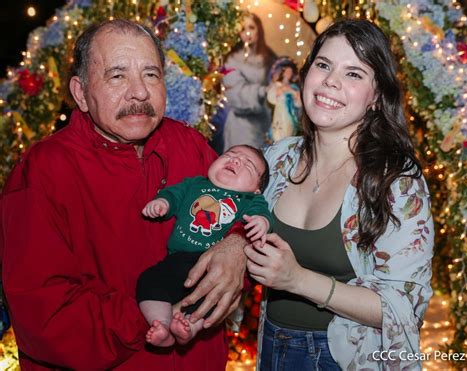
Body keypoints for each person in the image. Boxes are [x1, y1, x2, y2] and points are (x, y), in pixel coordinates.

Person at [0, 19, 248, 370]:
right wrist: (152, 314)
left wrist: (237, 246)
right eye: (117, 76)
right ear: (81, 93)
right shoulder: (44, 171)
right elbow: (43, 312)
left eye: (151, 74)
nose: (140, 93)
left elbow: (243, 213)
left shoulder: (188, 145)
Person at [244, 19, 434, 370]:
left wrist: (298, 280)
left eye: (354, 74)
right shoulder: (277, 158)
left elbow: (405, 309)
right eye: (323, 65)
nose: (331, 81)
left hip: (346, 358)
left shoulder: (395, 182)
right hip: (272, 347)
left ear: (376, 97)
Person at [137, 144, 273, 347]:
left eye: (248, 165)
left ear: (256, 188)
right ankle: (162, 324)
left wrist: (262, 222)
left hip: (212, 266)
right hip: (176, 260)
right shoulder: (194, 184)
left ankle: (191, 327)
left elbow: (263, 215)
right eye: (230, 155)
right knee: (148, 281)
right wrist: (163, 203)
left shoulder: (250, 199)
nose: (236, 161)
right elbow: (174, 194)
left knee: (215, 296)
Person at [222, 12, 276, 151]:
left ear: (259, 29)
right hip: (241, 127)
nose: (247, 33)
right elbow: (234, 93)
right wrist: (263, 91)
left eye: (251, 27)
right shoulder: (231, 60)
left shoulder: (269, 59)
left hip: (265, 124)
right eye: (242, 29)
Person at [267, 57, 301, 142]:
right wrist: (283, 89)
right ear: (283, 72)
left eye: (290, 72)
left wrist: (295, 95)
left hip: (289, 114)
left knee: (288, 130)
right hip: (280, 110)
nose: (288, 73)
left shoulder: (294, 87)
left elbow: (298, 103)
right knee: (278, 132)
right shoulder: (277, 84)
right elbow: (271, 97)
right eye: (287, 71)